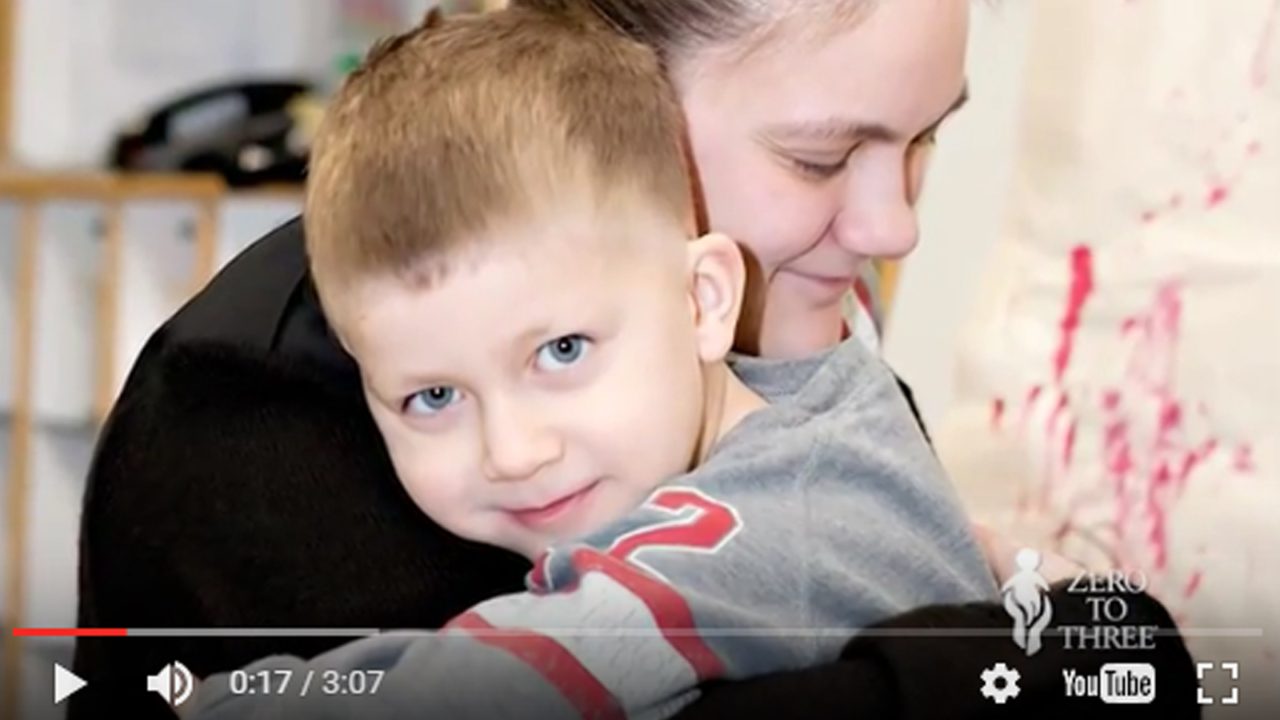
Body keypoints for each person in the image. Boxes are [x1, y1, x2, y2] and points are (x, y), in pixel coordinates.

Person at [71, 0, 1199, 718]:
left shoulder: (797, 360)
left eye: (922, 141)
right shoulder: (255, 421)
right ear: (608, 100)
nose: (893, 226)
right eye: (819, 157)